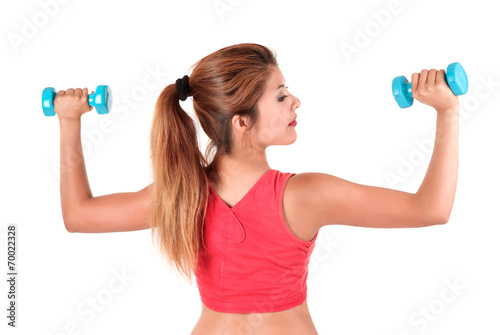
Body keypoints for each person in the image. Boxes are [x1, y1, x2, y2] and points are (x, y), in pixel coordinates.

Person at [55, 43, 459, 335]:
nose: (295, 102)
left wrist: (69, 120)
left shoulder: (180, 194)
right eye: (281, 96)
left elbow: (78, 216)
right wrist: (448, 112)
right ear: (241, 122)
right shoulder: (305, 196)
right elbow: (431, 209)